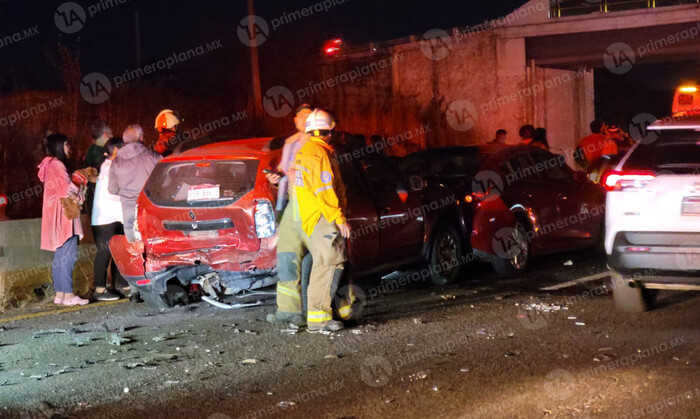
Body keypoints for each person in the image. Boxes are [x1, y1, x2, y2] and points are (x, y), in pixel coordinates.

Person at [294, 109, 350, 333]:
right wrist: (340, 218)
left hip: (312, 217)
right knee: (327, 265)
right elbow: (325, 191)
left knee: (329, 264)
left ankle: (325, 312)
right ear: (329, 131)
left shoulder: (305, 151)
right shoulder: (319, 154)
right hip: (323, 217)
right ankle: (319, 318)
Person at [266, 104, 313, 327]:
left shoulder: (320, 144)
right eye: (301, 116)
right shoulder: (290, 143)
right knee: (287, 256)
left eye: (308, 116)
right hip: (294, 204)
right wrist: (276, 187)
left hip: (315, 204)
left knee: (327, 258)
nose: (304, 120)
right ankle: (288, 309)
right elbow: (285, 176)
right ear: (295, 120)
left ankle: (336, 307)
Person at [38, 133, 89, 306]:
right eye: (67, 145)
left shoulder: (49, 165)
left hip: (55, 216)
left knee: (60, 256)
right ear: (59, 146)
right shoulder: (58, 165)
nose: (69, 148)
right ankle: (68, 294)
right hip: (65, 216)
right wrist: (81, 182)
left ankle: (60, 293)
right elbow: (68, 191)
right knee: (69, 255)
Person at [108, 125, 160, 243]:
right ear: (141, 138)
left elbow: (112, 189)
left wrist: (126, 193)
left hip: (129, 213)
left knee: (133, 249)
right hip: (150, 209)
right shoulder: (153, 157)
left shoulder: (116, 162)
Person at [92, 137, 128, 301]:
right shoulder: (108, 167)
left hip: (113, 216)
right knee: (104, 253)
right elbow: (112, 191)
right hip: (105, 218)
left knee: (117, 252)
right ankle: (100, 289)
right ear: (115, 151)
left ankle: (120, 285)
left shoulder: (110, 166)